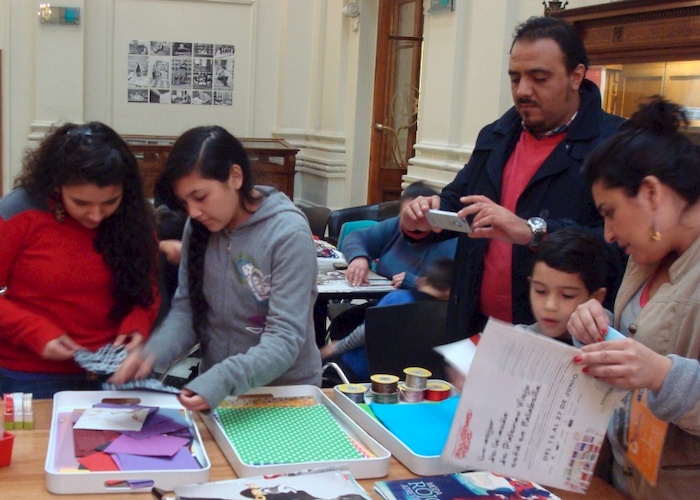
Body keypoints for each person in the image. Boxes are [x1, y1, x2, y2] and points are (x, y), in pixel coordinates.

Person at [400, 16, 625, 342]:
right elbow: (459, 201)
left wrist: (533, 231)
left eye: (539, 78)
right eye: (515, 78)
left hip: (557, 340)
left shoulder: (612, 144)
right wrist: (424, 217)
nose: (523, 91)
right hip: (477, 328)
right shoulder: (496, 135)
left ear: (576, 76)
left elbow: (620, 248)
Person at [110, 125, 322, 411]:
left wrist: (222, 378)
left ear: (235, 177)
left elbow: (284, 339)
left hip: (284, 396)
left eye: (200, 197)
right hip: (218, 392)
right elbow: (188, 310)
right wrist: (150, 355)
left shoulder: (287, 233)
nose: (193, 211)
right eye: (185, 202)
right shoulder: (198, 227)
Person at [565, 97, 700, 499]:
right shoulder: (646, 258)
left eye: (610, 212)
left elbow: (653, 363)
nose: (607, 233)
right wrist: (595, 325)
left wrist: (660, 374)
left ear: (651, 193)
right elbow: (640, 338)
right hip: (623, 480)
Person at [0, 122, 161, 398]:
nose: (96, 216)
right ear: (56, 185)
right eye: (81, 203)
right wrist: (33, 330)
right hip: (31, 375)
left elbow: (149, 286)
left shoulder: (134, 217)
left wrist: (137, 324)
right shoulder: (19, 212)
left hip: (116, 373)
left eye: (110, 202)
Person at [321, 258, 453, 381]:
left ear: (422, 280)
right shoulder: (446, 313)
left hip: (359, 371)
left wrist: (336, 347)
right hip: (406, 378)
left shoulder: (397, 299)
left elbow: (365, 333)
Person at [342, 181, 457, 289]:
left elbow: (449, 287)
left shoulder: (449, 240)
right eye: (408, 215)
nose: (414, 222)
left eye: (421, 215)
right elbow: (355, 238)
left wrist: (414, 282)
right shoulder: (395, 225)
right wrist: (359, 257)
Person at [522, 227, 609, 343]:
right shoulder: (514, 341)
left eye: (567, 295)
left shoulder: (614, 343)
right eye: (540, 291)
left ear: (596, 298)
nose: (550, 306)